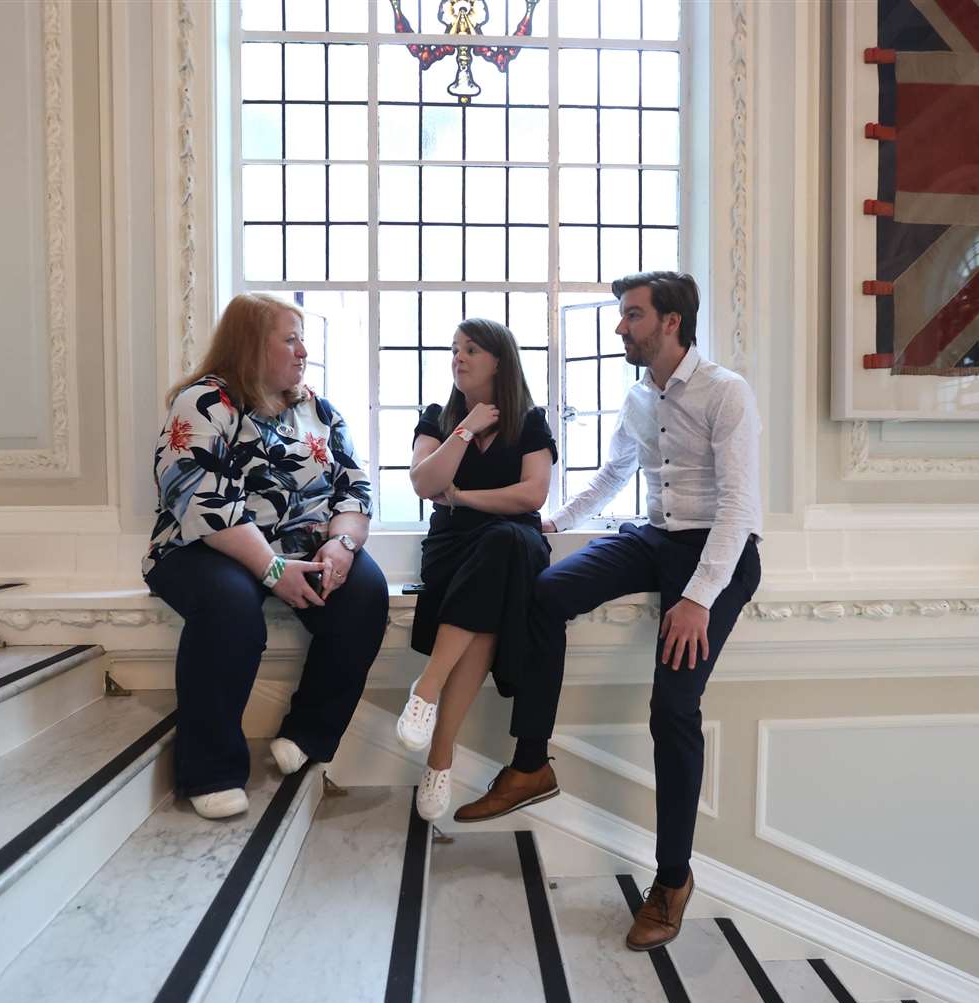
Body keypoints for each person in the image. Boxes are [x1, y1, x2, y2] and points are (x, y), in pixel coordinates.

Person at [453, 272, 762, 951]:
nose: (620, 327)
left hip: (717, 554)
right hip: (653, 540)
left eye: (632, 315)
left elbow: (739, 508)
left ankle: (672, 879)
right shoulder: (637, 396)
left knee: (672, 707)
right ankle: (530, 764)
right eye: (622, 316)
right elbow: (614, 476)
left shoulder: (725, 392)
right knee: (542, 596)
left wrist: (696, 599)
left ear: (671, 322)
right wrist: (552, 523)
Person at [143, 294, 387, 820]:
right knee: (231, 608)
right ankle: (208, 770)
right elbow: (199, 497)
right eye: (290, 337)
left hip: (303, 546)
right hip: (204, 548)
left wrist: (341, 544)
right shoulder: (205, 402)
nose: (304, 350)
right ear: (251, 344)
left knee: (366, 592)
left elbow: (356, 491)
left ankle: (308, 734)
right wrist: (271, 568)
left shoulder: (318, 410)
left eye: (302, 337)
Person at [398, 318, 556, 821]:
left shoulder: (530, 419)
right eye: (454, 349)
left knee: (506, 542)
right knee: (492, 584)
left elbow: (533, 494)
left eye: (470, 349)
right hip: (453, 549)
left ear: (499, 360)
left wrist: (463, 497)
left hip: (513, 543)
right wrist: (465, 430)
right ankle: (440, 757)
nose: (458, 358)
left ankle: (426, 691)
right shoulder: (438, 418)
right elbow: (425, 482)